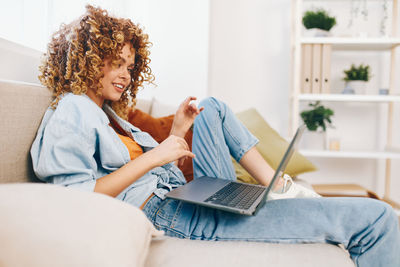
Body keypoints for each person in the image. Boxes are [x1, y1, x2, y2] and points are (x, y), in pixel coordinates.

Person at [31, 5, 399, 267]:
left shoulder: (108, 114)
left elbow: (149, 169)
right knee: (378, 218)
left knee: (209, 106)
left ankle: (279, 185)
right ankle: (278, 191)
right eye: (116, 62)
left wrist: (177, 131)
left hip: (178, 194)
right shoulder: (71, 111)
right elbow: (75, 197)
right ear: (89, 58)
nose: (126, 74)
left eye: (130, 65)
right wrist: (153, 157)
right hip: (170, 214)